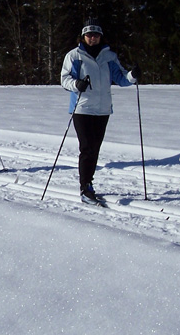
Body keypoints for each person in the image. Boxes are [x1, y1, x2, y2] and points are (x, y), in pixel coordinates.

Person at [60, 20, 141, 204]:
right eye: (89, 35)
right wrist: (76, 84)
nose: (93, 38)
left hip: (103, 109)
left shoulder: (109, 56)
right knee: (87, 148)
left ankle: (89, 182)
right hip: (81, 108)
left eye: (96, 35)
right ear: (83, 37)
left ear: (100, 37)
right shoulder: (74, 56)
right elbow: (64, 79)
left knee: (94, 148)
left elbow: (121, 78)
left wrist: (132, 75)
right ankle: (85, 187)